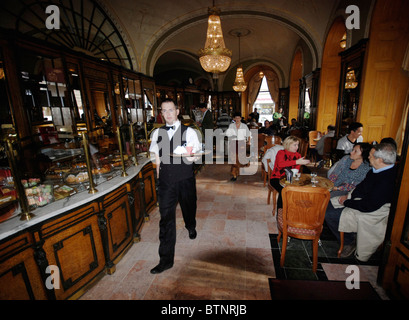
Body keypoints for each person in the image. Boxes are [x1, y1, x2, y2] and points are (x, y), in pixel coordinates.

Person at [149, 99, 202, 274]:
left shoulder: (190, 132)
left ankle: (191, 225)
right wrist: (158, 178)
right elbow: (156, 156)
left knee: (189, 206)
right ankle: (165, 260)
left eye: (171, 110)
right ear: (161, 113)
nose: (168, 114)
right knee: (166, 219)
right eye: (164, 111)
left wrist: (194, 157)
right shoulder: (157, 133)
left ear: (177, 111)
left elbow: (196, 155)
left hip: (185, 178)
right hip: (165, 181)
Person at [324, 143, 397, 261]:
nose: (368, 157)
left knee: (330, 214)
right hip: (362, 201)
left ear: (380, 160)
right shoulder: (375, 170)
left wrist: (347, 203)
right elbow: (361, 188)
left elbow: (369, 206)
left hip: (375, 210)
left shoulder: (387, 180)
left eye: (371, 156)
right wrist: (349, 197)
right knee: (326, 205)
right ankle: (349, 235)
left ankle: (349, 241)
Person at [269, 136, 310, 210]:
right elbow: (280, 164)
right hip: (277, 178)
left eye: (298, 145)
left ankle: (295, 210)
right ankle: (281, 213)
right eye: (295, 145)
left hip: (291, 179)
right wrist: (297, 162)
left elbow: (296, 170)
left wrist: (297, 172)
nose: (297, 147)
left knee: (302, 189)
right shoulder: (281, 153)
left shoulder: (298, 155)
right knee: (283, 191)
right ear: (288, 144)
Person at [225, 112, 251, 181]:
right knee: (234, 160)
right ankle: (234, 174)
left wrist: (249, 141)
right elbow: (227, 134)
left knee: (239, 159)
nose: (237, 119)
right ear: (234, 119)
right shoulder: (231, 126)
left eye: (238, 118)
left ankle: (237, 171)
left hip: (241, 143)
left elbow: (248, 134)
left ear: (240, 118)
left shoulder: (244, 126)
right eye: (236, 118)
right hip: (233, 143)